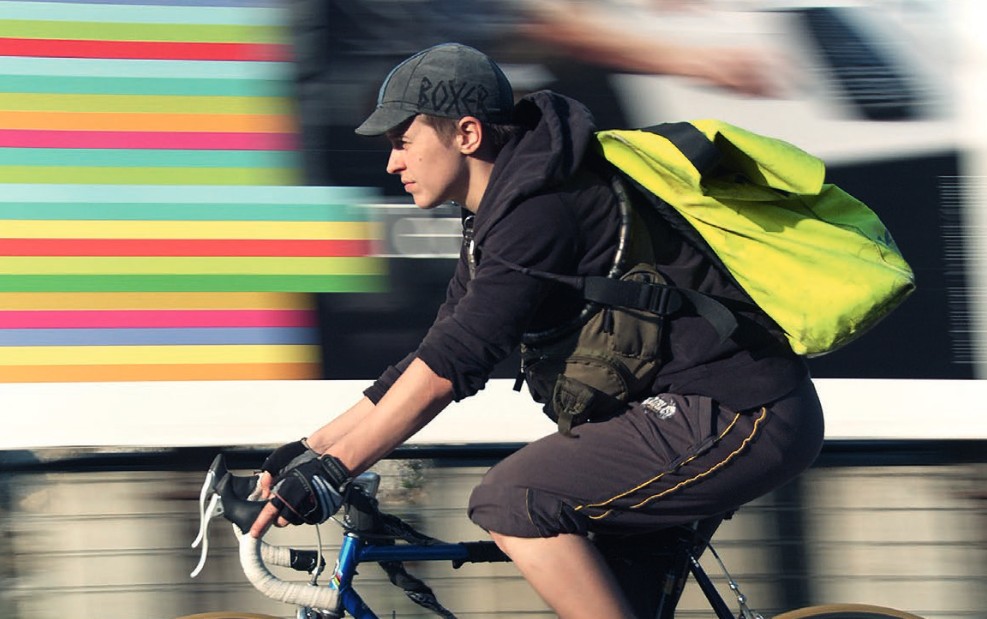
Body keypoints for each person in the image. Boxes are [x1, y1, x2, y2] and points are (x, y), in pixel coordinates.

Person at [249, 43, 825, 618]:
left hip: (738, 414)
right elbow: (433, 353)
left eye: (403, 141)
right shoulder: (499, 214)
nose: (391, 163)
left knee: (514, 500)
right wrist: (311, 448)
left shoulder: (541, 207)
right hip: (688, 416)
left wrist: (335, 471)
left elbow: (455, 367)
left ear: (467, 134)